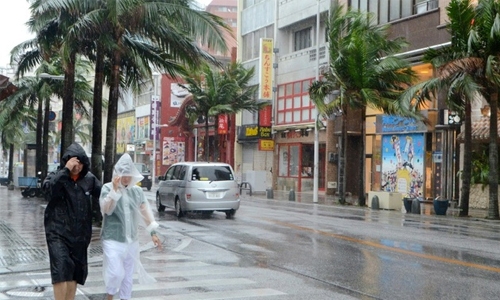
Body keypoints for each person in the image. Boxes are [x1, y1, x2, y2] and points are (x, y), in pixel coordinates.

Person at [43, 142, 102, 300]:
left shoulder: (89, 180)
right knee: (61, 271)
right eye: (73, 162)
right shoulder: (57, 176)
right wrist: (65, 171)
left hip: (80, 235)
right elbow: (48, 191)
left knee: (74, 273)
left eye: (80, 162)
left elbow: (105, 194)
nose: (77, 166)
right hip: (58, 233)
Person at [99, 153, 162, 300]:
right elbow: (106, 209)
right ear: (117, 174)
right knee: (115, 273)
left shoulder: (137, 191)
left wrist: (153, 232)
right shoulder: (107, 188)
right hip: (112, 238)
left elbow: (145, 212)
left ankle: (125, 298)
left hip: (131, 240)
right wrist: (114, 192)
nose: (126, 178)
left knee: (128, 275)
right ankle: (110, 295)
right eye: (123, 174)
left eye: (129, 174)